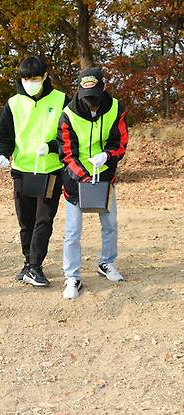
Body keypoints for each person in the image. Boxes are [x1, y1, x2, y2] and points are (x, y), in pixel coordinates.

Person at [0, 56, 69, 287]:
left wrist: (53, 147)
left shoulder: (61, 100)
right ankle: (28, 263)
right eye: (26, 79)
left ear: (45, 77)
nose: (30, 83)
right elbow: (2, 135)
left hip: (50, 170)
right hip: (22, 170)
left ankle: (35, 265)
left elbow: (69, 134)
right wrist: (2, 154)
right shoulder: (13, 103)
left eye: (35, 78)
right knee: (26, 222)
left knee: (43, 219)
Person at [57, 66, 129, 299]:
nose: (92, 103)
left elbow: (120, 141)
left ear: (104, 88)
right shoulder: (68, 113)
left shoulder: (116, 108)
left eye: (95, 97)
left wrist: (107, 156)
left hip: (105, 176)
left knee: (110, 224)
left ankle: (106, 263)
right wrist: (83, 176)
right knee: (72, 231)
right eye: (87, 98)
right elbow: (66, 152)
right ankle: (72, 276)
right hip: (75, 179)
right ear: (79, 92)